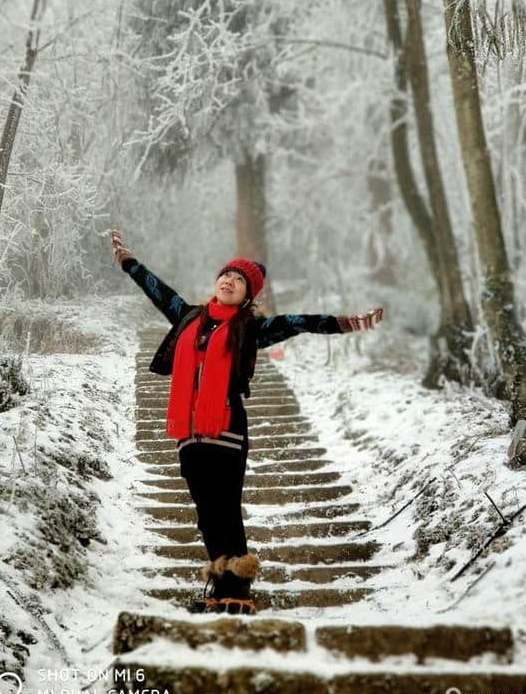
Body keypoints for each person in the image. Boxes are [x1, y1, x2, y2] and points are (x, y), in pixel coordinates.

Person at [111, 229, 383, 615]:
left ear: (247, 295)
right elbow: (157, 289)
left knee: (225, 507)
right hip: (187, 431)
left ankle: (237, 588)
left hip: (227, 428)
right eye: (226, 275)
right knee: (205, 513)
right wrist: (129, 263)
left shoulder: (249, 328)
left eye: (238, 281)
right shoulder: (188, 316)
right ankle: (220, 585)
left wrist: (346, 324)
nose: (229, 281)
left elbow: (299, 321)